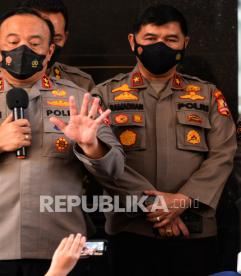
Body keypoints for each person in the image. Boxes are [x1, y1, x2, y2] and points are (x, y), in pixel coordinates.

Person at [0, 7, 124, 276]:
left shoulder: (79, 99)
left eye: (34, 43)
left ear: (50, 52)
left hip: (62, 252)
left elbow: (115, 170)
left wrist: (92, 146)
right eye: (13, 41)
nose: (23, 50)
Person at [91, 4, 237, 276]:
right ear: (133, 42)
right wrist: (156, 207)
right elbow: (101, 160)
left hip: (195, 233)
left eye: (171, 40)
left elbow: (223, 154)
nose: (161, 47)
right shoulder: (106, 95)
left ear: (185, 43)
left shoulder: (207, 95)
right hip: (130, 232)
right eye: (151, 39)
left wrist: (182, 200)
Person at [0, 0, 97, 241]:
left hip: (59, 220)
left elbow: (104, 164)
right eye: (18, 40)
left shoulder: (80, 87)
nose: (26, 50)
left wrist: (92, 147)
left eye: (40, 40)